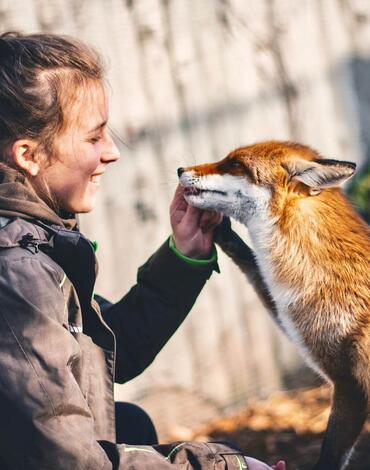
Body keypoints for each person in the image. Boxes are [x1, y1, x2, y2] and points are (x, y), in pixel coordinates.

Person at [0, 31, 285, 470]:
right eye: (94, 138)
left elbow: (109, 351)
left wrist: (184, 257)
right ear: (28, 155)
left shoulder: (35, 242)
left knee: (131, 424)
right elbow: (70, 461)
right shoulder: (16, 272)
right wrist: (224, 466)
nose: (112, 152)